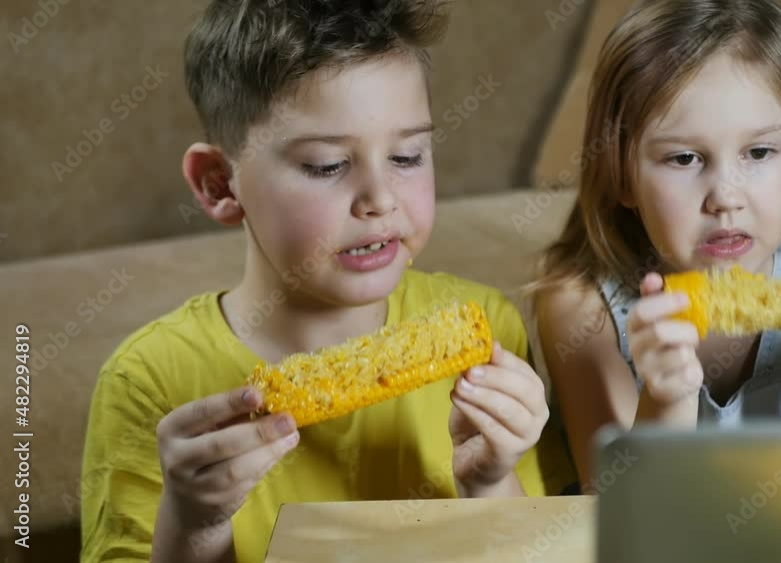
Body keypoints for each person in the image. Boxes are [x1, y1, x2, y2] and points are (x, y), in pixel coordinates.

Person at [80, 1, 576, 561]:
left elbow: (542, 546)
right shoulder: (149, 379)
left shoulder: (491, 332)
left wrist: (488, 481)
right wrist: (194, 523)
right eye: (326, 166)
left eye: (408, 155)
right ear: (220, 183)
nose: (380, 199)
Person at [531, 0, 781, 488]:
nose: (725, 198)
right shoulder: (579, 311)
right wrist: (666, 397)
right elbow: (624, 513)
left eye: (759, 152)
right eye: (684, 158)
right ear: (621, 175)